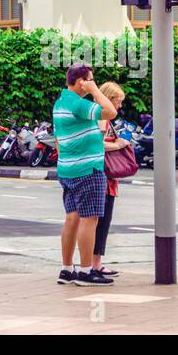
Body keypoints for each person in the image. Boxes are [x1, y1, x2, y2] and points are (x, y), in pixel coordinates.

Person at [53, 62, 117, 287]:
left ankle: (67, 269)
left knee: (72, 219)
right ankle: (86, 270)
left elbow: (58, 140)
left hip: (67, 169)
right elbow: (110, 112)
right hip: (87, 170)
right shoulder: (78, 104)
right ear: (81, 81)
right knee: (89, 220)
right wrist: (95, 90)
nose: (92, 82)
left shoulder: (60, 102)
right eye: (90, 79)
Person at [90, 80, 130, 278]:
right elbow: (97, 144)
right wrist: (119, 145)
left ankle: (95, 263)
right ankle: (93, 265)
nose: (120, 106)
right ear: (109, 99)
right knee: (101, 221)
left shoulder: (99, 118)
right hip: (102, 178)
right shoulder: (102, 119)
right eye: (118, 101)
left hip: (105, 177)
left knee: (101, 221)